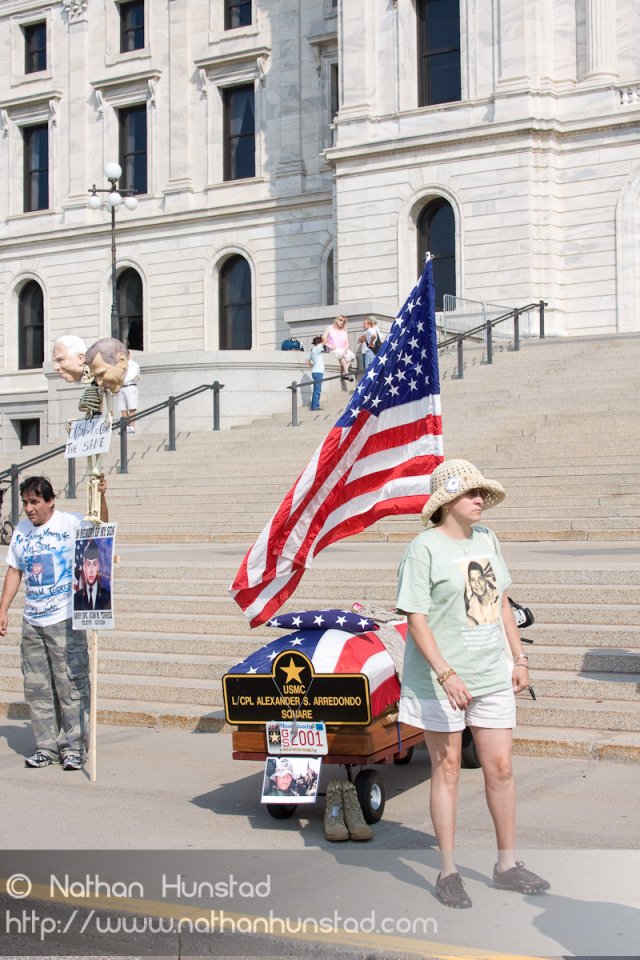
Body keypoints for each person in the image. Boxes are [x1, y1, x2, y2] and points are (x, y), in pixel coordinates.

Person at [396, 459, 549, 909]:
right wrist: (446, 673)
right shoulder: (423, 548)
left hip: (491, 675)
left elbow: (501, 603)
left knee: (500, 768)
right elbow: (416, 619)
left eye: (482, 493)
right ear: (447, 503)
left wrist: (518, 657)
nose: (480, 499)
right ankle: (448, 871)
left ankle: (507, 865)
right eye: (471, 493)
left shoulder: (487, 538)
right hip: (440, 680)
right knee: (445, 770)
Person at [0, 475, 108, 771]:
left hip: (64, 618)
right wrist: (4, 608)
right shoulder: (21, 531)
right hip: (32, 620)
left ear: (50, 501)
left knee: (70, 684)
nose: (29, 509)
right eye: (25, 502)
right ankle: (46, 746)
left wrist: (100, 497)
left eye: (34, 502)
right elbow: (14, 571)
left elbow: (100, 530)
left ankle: (73, 747)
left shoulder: (68, 523)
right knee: (38, 687)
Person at [73, 540, 111, 611]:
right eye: (88, 564)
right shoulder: (76, 597)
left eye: (94, 564)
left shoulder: (107, 596)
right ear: (84, 567)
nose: (91, 570)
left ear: (98, 566)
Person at [465, 559, 500, 626]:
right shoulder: (470, 610)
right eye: (472, 580)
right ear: (469, 583)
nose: (477, 584)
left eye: (480, 578)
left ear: (485, 579)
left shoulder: (497, 597)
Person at [323, 315, 355, 379]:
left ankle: (344, 372)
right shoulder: (330, 328)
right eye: (340, 320)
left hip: (342, 348)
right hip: (333, 348)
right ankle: (346, 372)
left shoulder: (344, 330)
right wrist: (329, 346)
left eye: (343, 321)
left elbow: (347, 342)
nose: (342, 322)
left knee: (351, 355)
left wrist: (346, 348)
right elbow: (323, 338)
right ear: (336, 320)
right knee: (341, 354)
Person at [118, 354, 141, 433]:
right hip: (121, 387)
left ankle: (131, 427)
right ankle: (126, 426)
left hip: (130, 386)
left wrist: (120, 379)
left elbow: (130, 377)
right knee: (123, 409)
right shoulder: (120, 365)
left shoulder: (133, 365)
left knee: (131, 409)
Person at [308, 335, 325, 411]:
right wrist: (324, 336)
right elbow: (324, 342)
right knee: (317, 390)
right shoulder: (317, 348)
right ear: (318, 343)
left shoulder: (312, 351)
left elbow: (307, 360)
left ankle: (314, 406)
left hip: (315, 371)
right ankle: (315, 406)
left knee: (316, 389)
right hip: (318, 372)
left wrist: (312, 366)